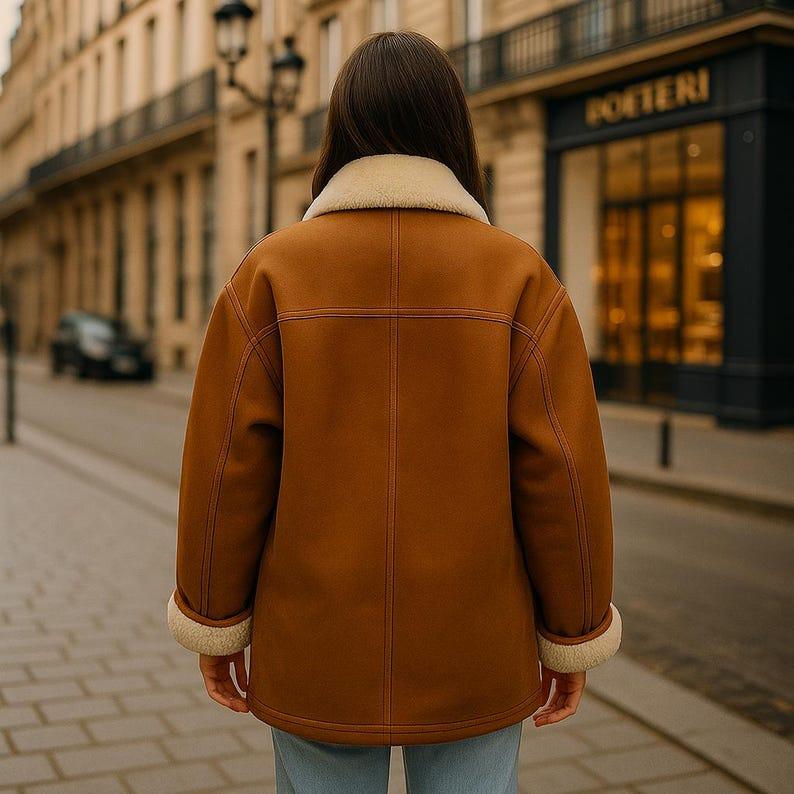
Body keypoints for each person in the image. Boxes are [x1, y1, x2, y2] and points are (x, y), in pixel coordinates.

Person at [167, 30, 621, 794]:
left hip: (316, 647)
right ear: (453, 130)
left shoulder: (271, 271)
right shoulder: (520, 276)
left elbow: (226, 470)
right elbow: (563, 472)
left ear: (338, 129)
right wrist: (571, 633)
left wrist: (214, 620)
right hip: (475, 648)